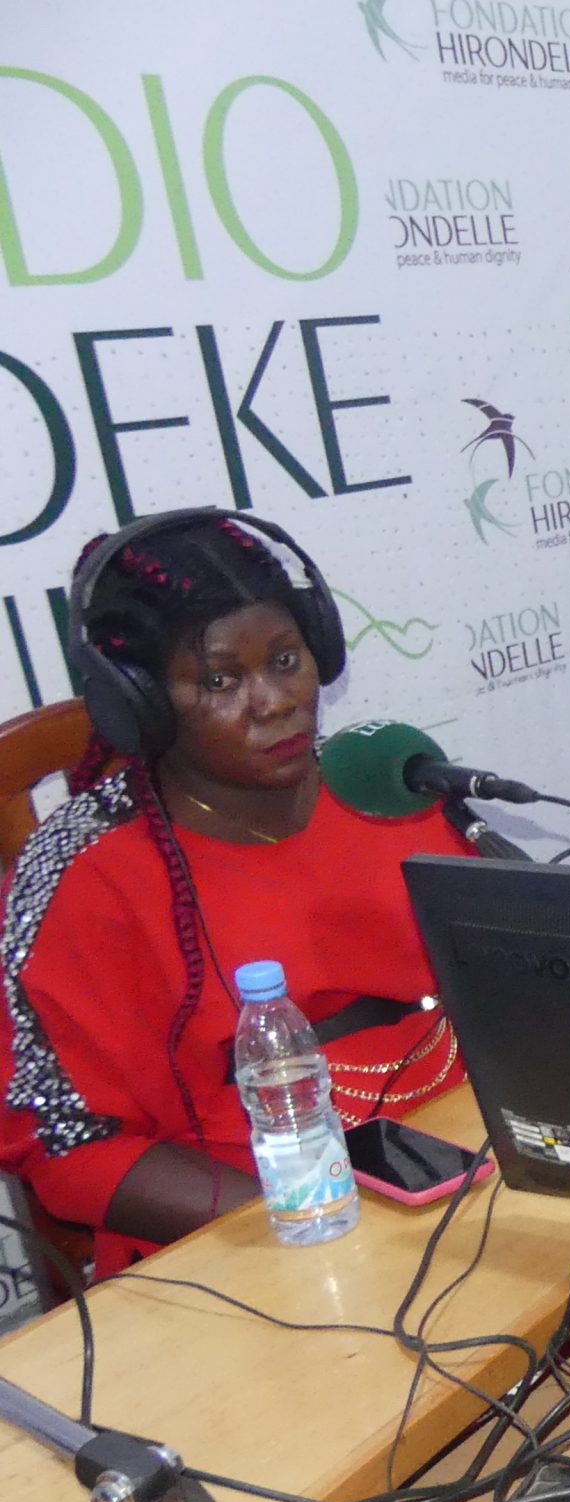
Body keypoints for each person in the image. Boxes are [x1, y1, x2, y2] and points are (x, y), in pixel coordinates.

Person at [1, 512, 469, 1276]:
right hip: (269, 1236)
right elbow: (74, 1150)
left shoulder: (385, 787)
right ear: (138, 702)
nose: (275, 700)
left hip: (472, 1164)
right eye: (220, 681)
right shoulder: (87, 880)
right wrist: (324, 1223)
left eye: (286, 659)